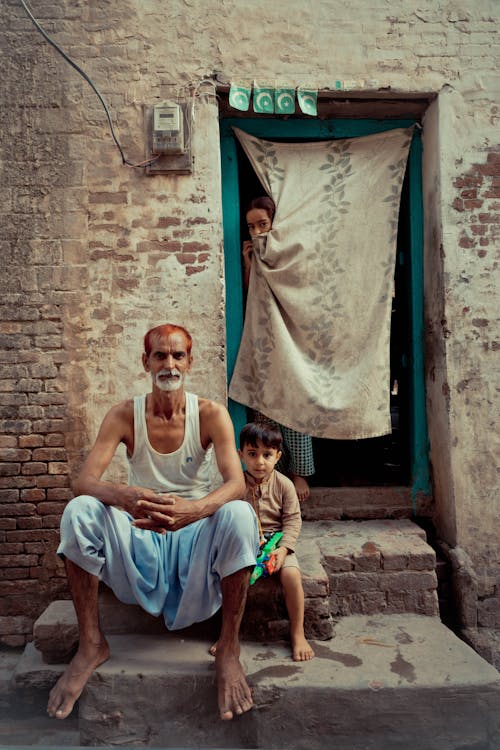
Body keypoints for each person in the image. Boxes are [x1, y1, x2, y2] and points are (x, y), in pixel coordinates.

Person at [47, 323, 259, 722]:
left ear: (190, 362)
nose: (169, 363)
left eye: (178, 355)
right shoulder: (125, 414)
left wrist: (193, 511)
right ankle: (91, 643)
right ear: (145, 361)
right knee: (79, 512)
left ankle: (229, 649)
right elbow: (84, 482)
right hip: (141, 536)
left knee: (239, 514)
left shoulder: (211, 414)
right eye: (160, 355)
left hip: (193, 537)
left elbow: (236, 484)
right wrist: (123, 496)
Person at [241, 195, 315, 502]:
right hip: (264, 344)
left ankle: (298, 475)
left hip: (294, 342)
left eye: (263, 224)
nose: (258, 232)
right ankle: (270, 474)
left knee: (296, 407)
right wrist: (249, 266)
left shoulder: (292, 254)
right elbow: (250, 298)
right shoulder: (253, 256)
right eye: (251, 227)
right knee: (265, 409)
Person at [238, 421, 314, 661]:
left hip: (278, 543)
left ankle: (298, 633)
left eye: (267, 455)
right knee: (233, 577)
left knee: (292, 575)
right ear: (241, 455)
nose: (259, 462)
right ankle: (229, 635)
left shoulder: (285, 485)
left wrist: (283, 550)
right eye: (252, 454)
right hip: (247, 542)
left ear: (278, 456)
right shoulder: (236, 485)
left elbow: (293, 520)